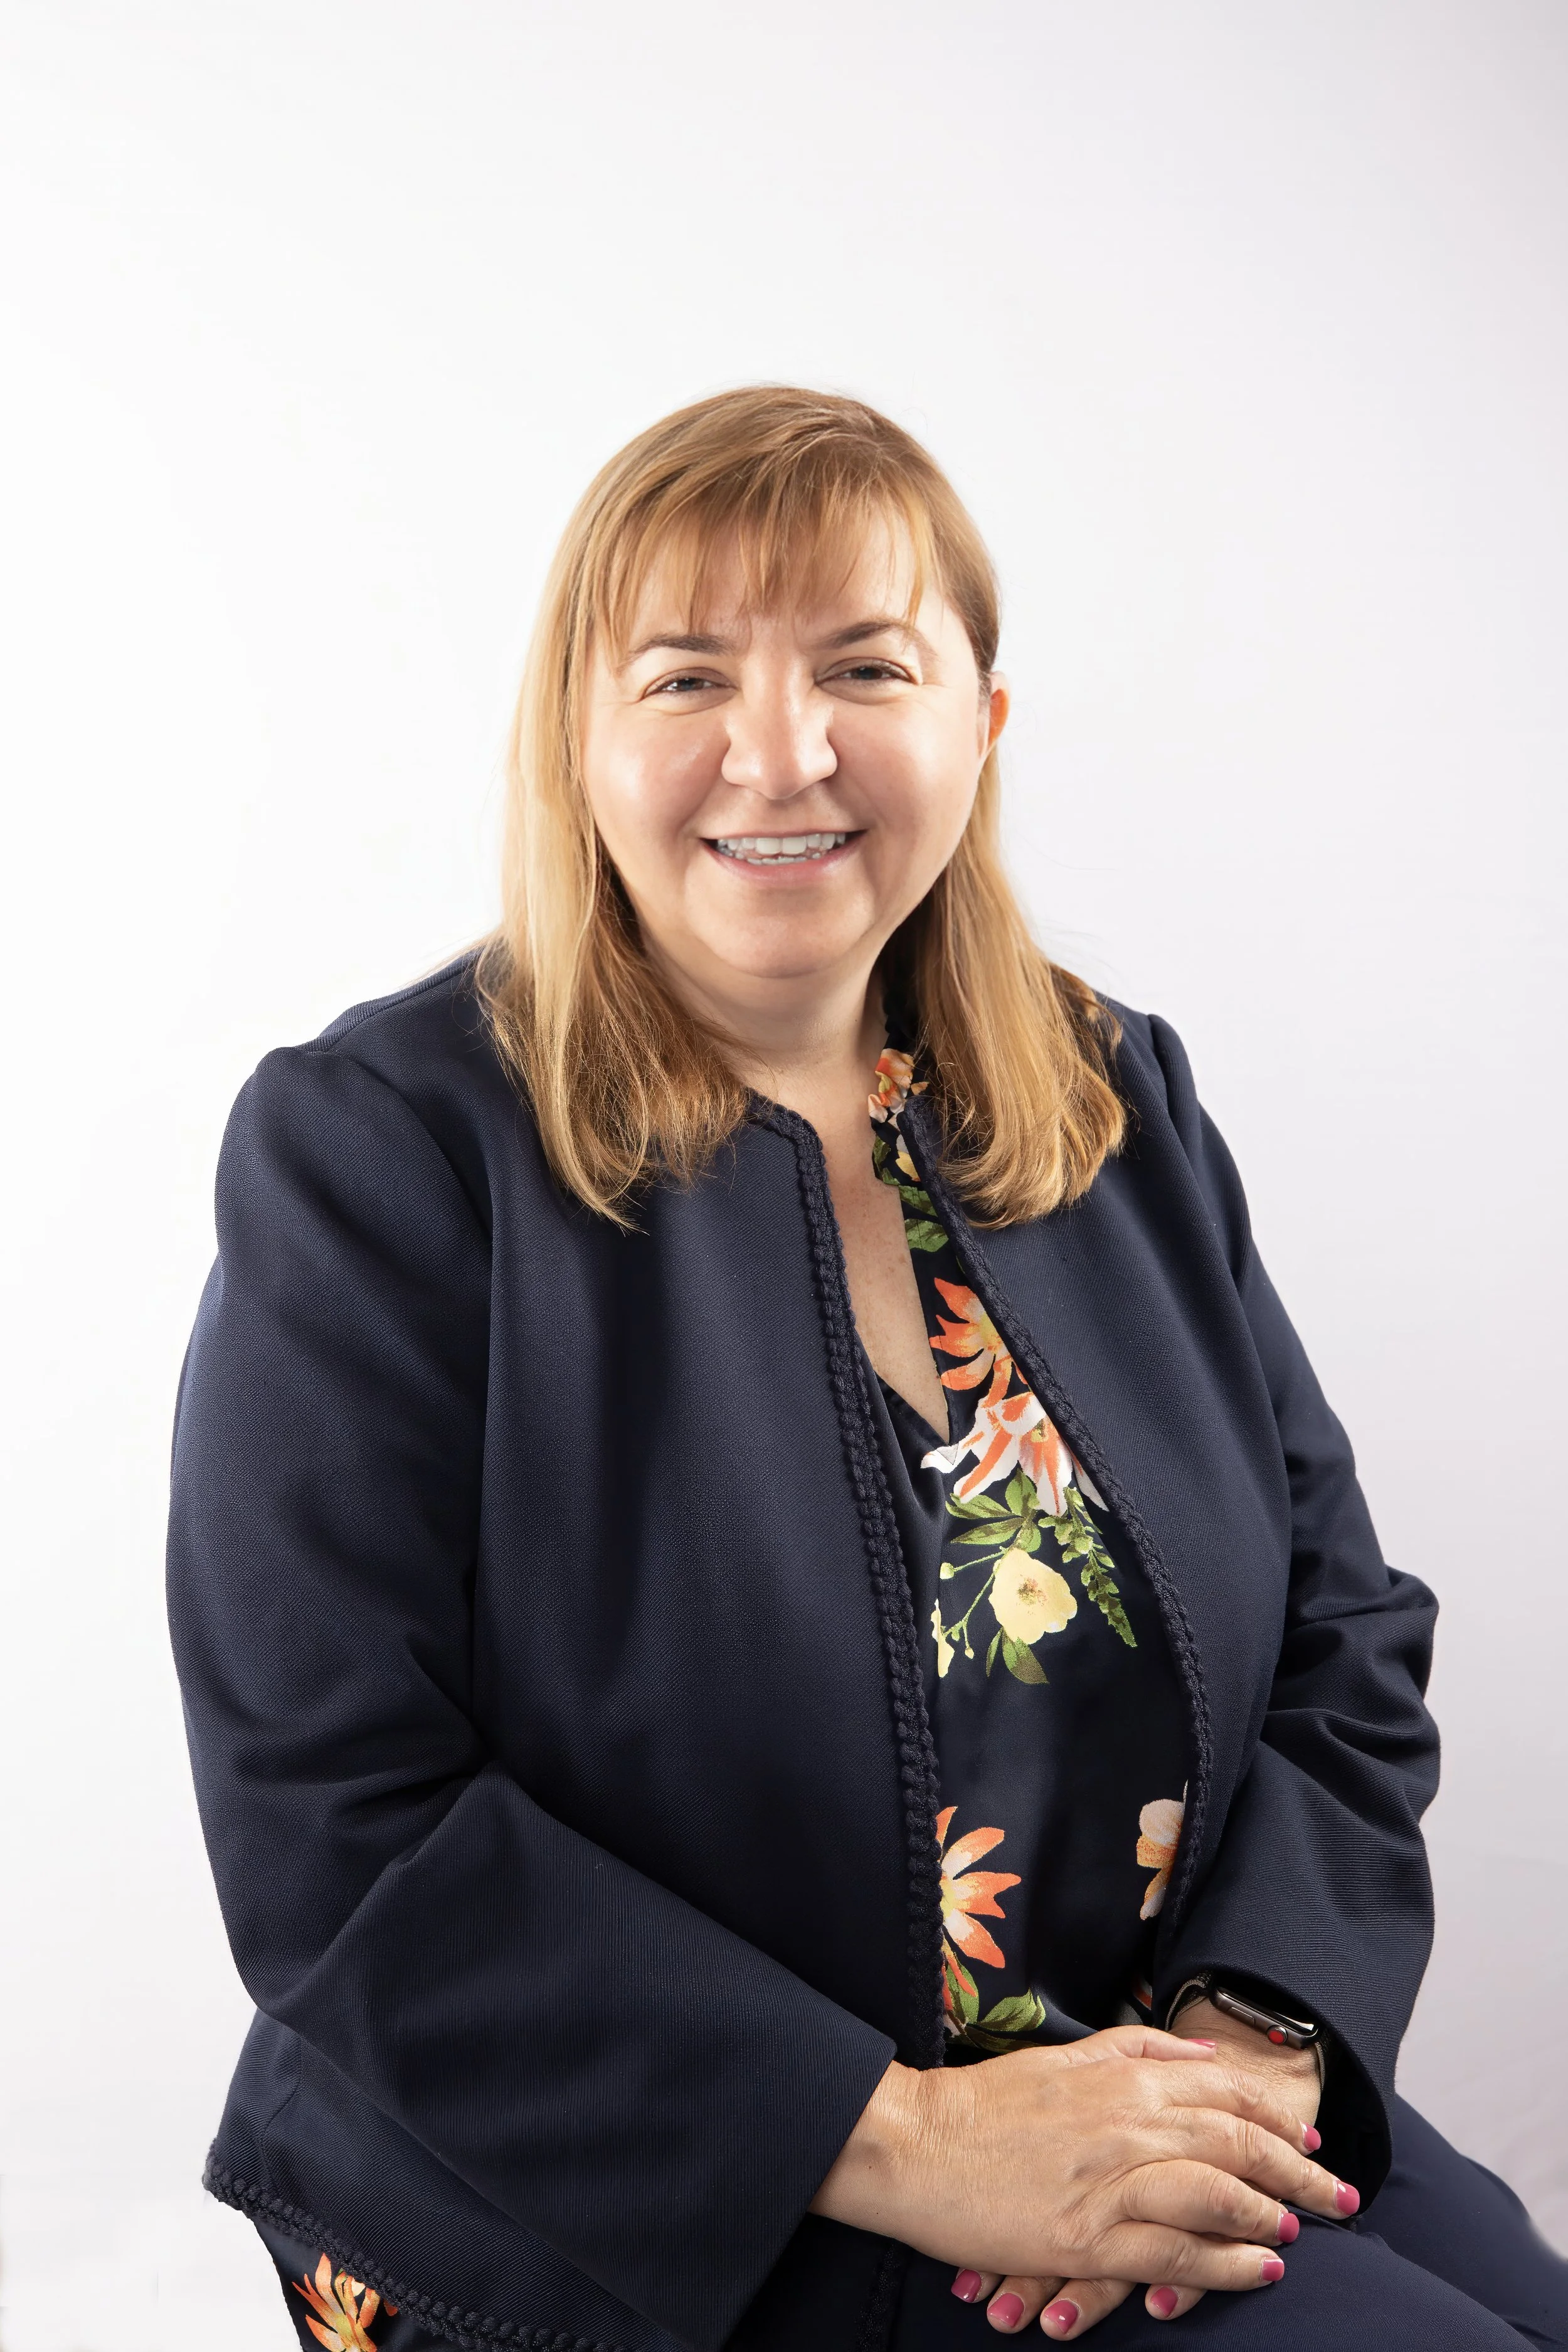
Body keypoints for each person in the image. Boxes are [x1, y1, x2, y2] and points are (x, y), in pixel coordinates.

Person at [167, 387, 1567, 2352]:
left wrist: (1249, 2040)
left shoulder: (1106, 1090)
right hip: (656, 2197)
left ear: (978, 723)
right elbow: (339, 1839)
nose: (782, 749)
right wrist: (919, 2141)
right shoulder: (379, 1153)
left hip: (1135, 2065)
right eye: (684, 676)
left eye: (864, 664)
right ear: (575, 741)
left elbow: (1344, 1631)